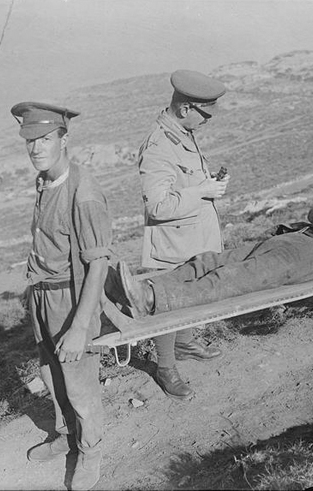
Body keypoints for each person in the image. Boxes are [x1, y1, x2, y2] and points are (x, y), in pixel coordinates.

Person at [111, 182, 313, 318]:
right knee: (211, 260)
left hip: (307, 260)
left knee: (237, 276)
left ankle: (153, 300)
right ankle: (142, 289)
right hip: (290, 239)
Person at [11, 101, 111, 491]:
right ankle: (64, 435)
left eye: (45, 139)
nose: (36, 148)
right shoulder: (45, 180)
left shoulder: (82, 191)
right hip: (42, 295)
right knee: (50, 373)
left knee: (80, 384)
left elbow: (98, 264)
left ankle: (91, 450)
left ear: (64, 139)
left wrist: (81, 326)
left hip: (71, 301)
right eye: (30, 140)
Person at [135, 70, 229, 399]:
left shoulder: (180, 132)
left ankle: (186, 344)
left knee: (189, 294)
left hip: (191, 239)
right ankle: (165, 366)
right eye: (204, 114)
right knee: (168, 304)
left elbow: (185, 181)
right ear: (185, 109)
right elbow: (159, 206)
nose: (207, 120)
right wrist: (202, 191)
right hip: (173, 245)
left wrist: (209, 188)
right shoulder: (160, 145)